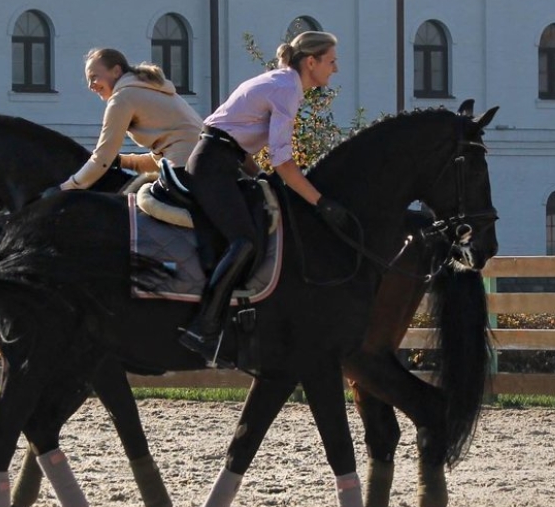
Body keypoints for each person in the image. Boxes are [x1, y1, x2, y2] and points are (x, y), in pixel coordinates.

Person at [178, 31, 349, 363]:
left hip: (222, 161)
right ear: (311, 62)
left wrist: (259, 177)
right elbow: (283, 161)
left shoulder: (281, 82)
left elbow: (238, 140)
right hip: (214, 165)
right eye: (331, 61)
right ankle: (203, 328)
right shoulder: (287, 89)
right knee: (245, 242)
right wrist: (320, 202)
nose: (335, 69)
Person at [53, 48, 204, 191]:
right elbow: (164, 156)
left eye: (94, 77)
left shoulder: (123, 98)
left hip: (186, 167)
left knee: (132, 206)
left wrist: (66, 187)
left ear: (116, 71)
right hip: (203, 162)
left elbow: (102, 159)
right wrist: (122, 161)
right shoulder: (146, 88)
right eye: (88, 80)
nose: (90, 86)